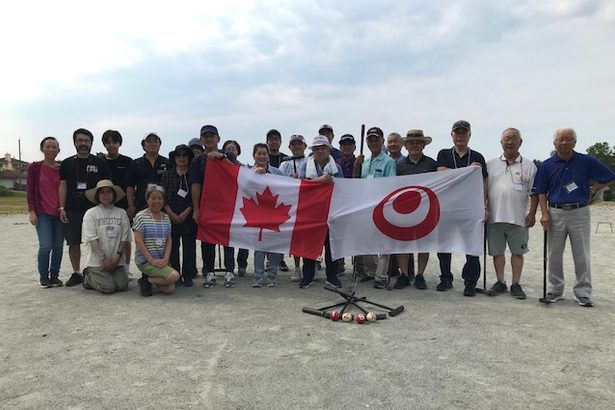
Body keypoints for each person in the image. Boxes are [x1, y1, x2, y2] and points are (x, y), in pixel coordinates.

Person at [532, 128, 615, 307]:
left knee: (582, 254)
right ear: (554, 143)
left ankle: (583, 292)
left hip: (580, 212)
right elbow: (540, 191)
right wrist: (544, 213)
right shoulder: (546, 165)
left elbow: (609, 176)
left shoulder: (586, 161)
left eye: (568, 139)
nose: (564, 142)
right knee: (554, 254)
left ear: (575, 142)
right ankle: (555, 289)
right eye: (560, 139)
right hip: (555, 213)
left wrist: (593, 190)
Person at [436, 120, 488, 297]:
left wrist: (485, 205)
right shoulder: (443, 154)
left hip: (470, 208)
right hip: (447, 207)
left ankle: (470, 281)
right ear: (452, 135)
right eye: (457, 132)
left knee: (471, 245)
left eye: (464, 132)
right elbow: (442, 173)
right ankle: (445, 278)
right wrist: (468, 171)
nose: (460, 136)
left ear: (469, 135)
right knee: (444, 245)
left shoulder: (478, 157)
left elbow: (483, 182)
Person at [486, 128, 538, 299]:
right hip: (495, 217)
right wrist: (484, 208)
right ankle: (500, 281)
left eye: (513, 139)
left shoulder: (529, 165)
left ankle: (516, 284)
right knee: (497, 252)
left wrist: (532, 213)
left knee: (518, 252)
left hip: (518, 217)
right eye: (506, 139)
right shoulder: (491, 164)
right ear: (501, 143)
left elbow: (535, 193)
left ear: (520, 142)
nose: (510, 142)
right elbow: (484, 189)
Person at [59, 128, 111, 287]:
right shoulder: (67, 163)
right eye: (80, 140)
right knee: (74, 242)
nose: (83, 143)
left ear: (91, 143)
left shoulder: (100, 162)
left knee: (99, 241)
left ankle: (99, 268)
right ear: (74, 142)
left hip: (95, 209)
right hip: (72, 208)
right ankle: (76, 272)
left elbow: (106, 186)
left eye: (86, 140)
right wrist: (61, 207)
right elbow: (63, 185)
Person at [190, 125, 237, 288]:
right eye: (205, 136)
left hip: (226, 204)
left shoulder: (228, 154)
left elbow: (236, 174)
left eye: (212, 136)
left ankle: (230, 270)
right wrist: (196, 209)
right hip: (207, 205)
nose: (208, 139)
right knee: (207, 239)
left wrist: (222, 159)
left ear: (218, 138)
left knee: (228, 238)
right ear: (201, 140)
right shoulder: (197, 160)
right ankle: (209, 271)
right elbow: (195, 185)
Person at [393, 129, 438, 290]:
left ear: (423, 145)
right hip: (403, 210)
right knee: (403, 244)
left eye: (418, 143)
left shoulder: (432, 164)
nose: (414, 146)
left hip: (426, 210)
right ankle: (404, 275)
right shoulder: (398, 166)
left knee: (423, 243)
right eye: (411, 143)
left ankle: (420, 275)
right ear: (406, 146)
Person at [298, 135, 344, 289]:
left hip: (331, 210)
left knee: (331, 245)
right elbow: (301, 185)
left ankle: (332, 276)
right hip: (311, 211)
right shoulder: (306, 165)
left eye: (322, 148)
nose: (319, 151)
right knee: (309, 245)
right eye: (316, 148)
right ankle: (308, 276)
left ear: (328, 149)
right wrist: (321, 182)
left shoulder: (337, 167)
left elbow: (342, 188)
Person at [353, 126, 396, 288]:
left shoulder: (389, 162)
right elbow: (357, 184)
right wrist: (356, 167)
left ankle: (381, 275)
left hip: (382, 207)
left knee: (384, 243)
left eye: (376, 139)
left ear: (382, 141)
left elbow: (392, 185)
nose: (373, 142)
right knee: (366, 241)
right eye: (370, 139)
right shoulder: (364, 162)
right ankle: (371, 272)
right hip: (366, 208)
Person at [81, 180, 132, 294]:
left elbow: (125, 237)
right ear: (97, 195)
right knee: (108, 288)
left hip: (116, 261)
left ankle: (107, 276)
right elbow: (92, 238)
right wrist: (103, 259)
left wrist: (118, 256)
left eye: (109, 192)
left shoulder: (121, 212)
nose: (105, 195)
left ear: (113, 195)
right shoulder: (91, 213)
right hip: (97, 261)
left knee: (123, 285)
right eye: (102, 192)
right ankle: (88, 276)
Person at [27, 137, 64, 288]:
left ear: (58, 150)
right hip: (43, 213)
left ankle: (54, 276)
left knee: (58, 246)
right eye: (48, 146)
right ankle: (44, 276)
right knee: (45, 245)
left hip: (60, 213)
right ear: (42, 149)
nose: (51, 149)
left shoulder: (62, 169)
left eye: (54, 147)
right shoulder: (35, 167)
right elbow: (30, 191)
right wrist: (31, 211)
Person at [133, 185, 180, 297]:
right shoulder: (140, 216)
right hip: (146, 261)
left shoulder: (166, 217)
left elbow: (169, 240)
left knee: (169, 289)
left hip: (161, 260)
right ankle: (147, 280)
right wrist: (151, 260)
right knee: (174, 276)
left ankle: (148, 280)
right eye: (153, 198)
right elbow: (138, 241)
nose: (156, 201)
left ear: (163, 200)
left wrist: (166, 258)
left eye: (160, 198)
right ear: (147, 199)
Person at [160, 144, 197, 287]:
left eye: (184, 155)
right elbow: (162, 196)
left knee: (189, 248)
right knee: (172, 247)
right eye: (178, 155)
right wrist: (170, 212)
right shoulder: (167, 175)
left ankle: (188, 275)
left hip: (188, 216)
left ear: (189, 158)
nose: (181, 158)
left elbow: (196, 196)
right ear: (174, 158)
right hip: (170, 215)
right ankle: (175, 275)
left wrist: (186, 212)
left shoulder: (193, 175)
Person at [250, 143, 285, 287]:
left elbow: (287, 189)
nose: (262, 156)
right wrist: (254, 176)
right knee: (259, 248)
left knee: (275, 247)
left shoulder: (277, 173)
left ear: (268, 156)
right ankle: (258, 277)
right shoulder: (247, 173)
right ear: (254, 155)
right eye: (259, 153)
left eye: (264, 153)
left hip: (274, 213)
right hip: (256, 214)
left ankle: (272, 276)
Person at [101, 130, 133, 275]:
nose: (111, 145)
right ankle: (108, 264)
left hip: (124, 204)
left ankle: (126, 268)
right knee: (106, 235)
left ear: (119, 143)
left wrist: (131, 205)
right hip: (105, 204)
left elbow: (131, 185)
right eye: (108, 142)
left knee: (125, 237)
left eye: (114, 142)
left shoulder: (128, 162)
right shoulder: (100, 162)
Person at [279, 134, 308, 281]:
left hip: (307, 203)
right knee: (296, 237)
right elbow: (278, 182)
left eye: (299, 144)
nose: (297, 147)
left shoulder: (310, 161)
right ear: (289, 147)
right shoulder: (284, 165)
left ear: (305, 146)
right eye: (294, 144)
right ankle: (297, 267)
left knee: (308, 236)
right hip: (291, 204)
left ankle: (310, 265)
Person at [125, 132, 169, 219]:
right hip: (141, 206)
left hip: (163, 207)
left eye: (155, 141)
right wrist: (131, 206)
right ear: (143, 146)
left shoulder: (168, 162)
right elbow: (130, 186)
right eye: (149, 141)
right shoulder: (135, 163)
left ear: (160, 145)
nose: (153, 144)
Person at [265, 129, 290, 272]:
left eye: (276, 139)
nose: (273, 142)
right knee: (267, 233)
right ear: (267, 141)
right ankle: (269, 260)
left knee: (280, 232)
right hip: (266, 201)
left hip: (281, 200)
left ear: (280, 142)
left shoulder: (287, 159)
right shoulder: (262, 157)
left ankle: (280, 259)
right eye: (271, 139)